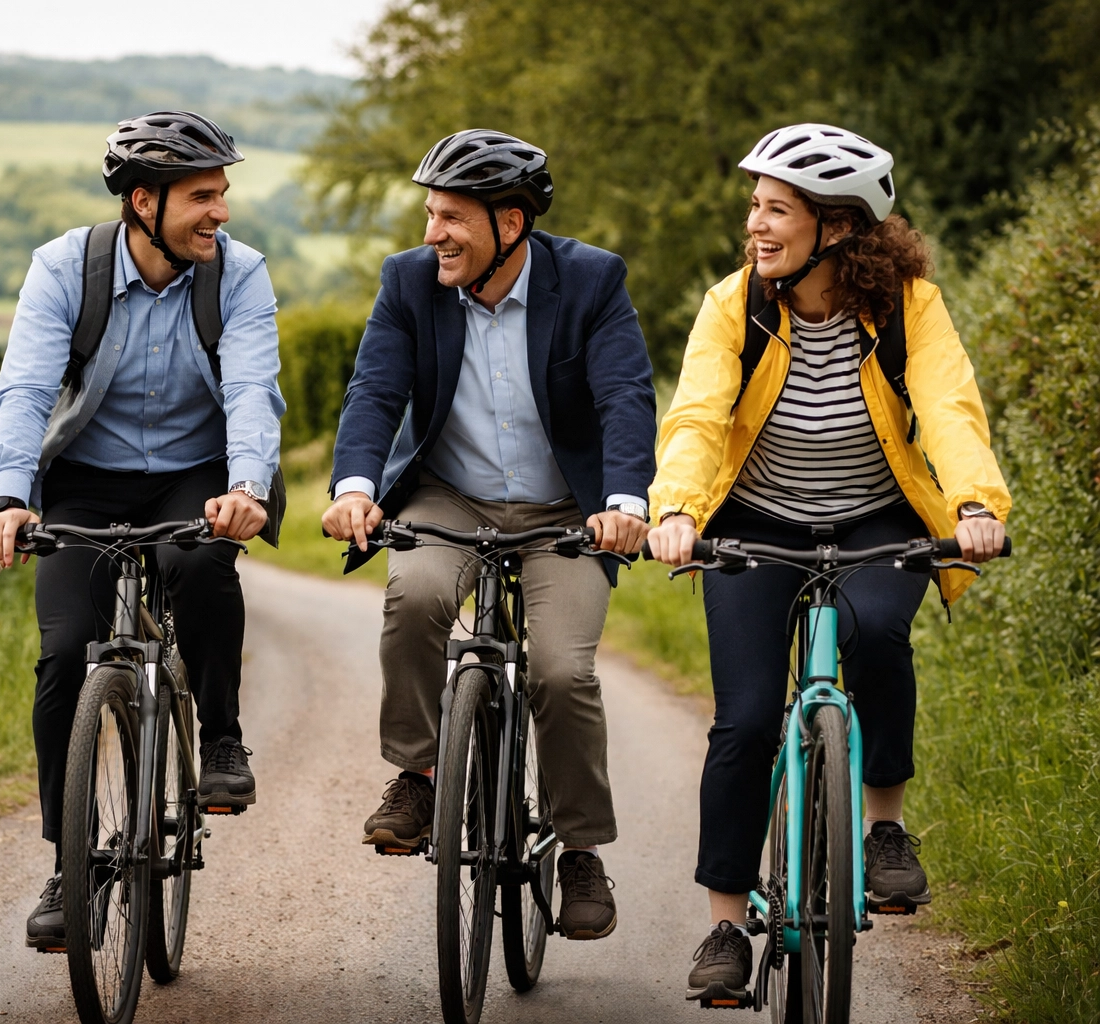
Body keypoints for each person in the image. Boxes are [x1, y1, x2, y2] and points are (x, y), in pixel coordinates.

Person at [643, 124, 1011, 1001]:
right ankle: (727, 925)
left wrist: (972, 506)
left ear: (837, 228)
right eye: (756, 206)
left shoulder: (907, 305)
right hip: (756, 526)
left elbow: (949, 406)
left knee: (881, 636)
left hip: (877, 521)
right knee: (742, 723)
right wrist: (678, 513)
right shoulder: (735, 304)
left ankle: (884, 829)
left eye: (777, 210)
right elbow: (697, 417)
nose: (755, 226)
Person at [322, 129, 657, 940]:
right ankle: (418, 770)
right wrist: (355, 488)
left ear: (512, 223)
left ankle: (579, 849)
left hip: (561, 514)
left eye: (452, 218)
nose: (434, 233)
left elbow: (624, 397)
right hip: (450, 497)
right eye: (430, 213)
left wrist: (625, 502)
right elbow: (375, 390)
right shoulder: (410, 281)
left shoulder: (590, 280)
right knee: (416, 596)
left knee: (560, 671)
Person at [0, 110, 284, 951]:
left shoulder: (239, 274)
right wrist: (11, 496)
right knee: (63, 648)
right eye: (202, 196)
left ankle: (221, 738)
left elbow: (253, 389)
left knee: (199, 568)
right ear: (143, 202)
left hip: (198, 472)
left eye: (223, 193)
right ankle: (66, 859)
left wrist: (246, 488)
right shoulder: (64, 269)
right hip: (85, 478)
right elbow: (25, 390)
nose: (220, 212)